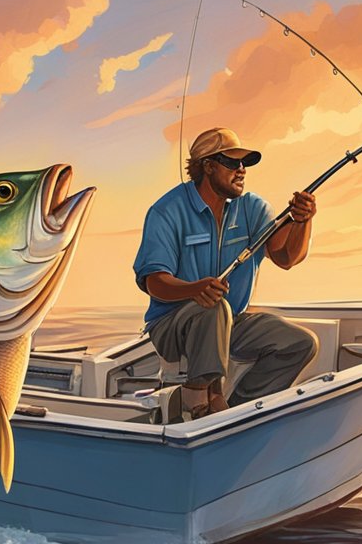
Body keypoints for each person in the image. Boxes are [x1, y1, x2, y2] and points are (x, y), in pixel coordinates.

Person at [133, 127, 319, 419]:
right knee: (213, 308)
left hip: (231, 323)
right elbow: (154, 282)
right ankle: (199, 401)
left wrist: (302, 221)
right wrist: (193, 289)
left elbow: (286, 258)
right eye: (233, 163)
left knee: (299, 343)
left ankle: (240, 410)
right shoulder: (166, 211)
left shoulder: (254, 208)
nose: (242, 170)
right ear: (207, 166)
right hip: (171, 326)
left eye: (245, 163)